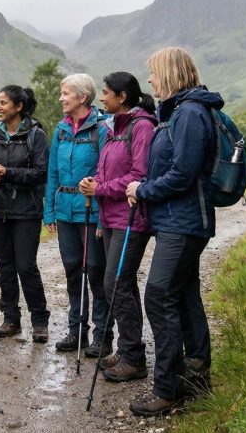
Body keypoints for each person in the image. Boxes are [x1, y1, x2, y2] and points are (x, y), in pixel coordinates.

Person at [125, 47, 221, 416]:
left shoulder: (191, 113)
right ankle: (195, 376)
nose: (149, 80)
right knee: (183, 297)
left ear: (169, 74)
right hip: (176, 221)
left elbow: (183, 173)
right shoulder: (180, 112)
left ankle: (167, 389)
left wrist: (142, 190)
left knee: (159, 296)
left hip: (184, 223)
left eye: (153, 73)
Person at [78, 72, 156, 379]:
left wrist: (100, 189)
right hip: (111, 218)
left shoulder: (142, 127)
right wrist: (94, 185)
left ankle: (133, 357)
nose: (102, 97)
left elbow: (140, 174)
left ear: (122, 96)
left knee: (115, 283)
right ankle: (128, 350)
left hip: (131, 218)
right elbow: (105, 170)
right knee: (121, 284)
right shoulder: (113, 129)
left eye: (106, 92)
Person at [42, 73, 113, 354]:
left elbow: (108, 171)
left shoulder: (102, 128)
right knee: (73, 270)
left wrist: (103, 212)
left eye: (66, 93)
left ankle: (102, 336)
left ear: (82, 97)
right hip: (65, 211)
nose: (61, 98)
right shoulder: (60, 130)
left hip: (92, 211)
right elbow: (53, 173)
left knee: (95, 272)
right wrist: (48, 211)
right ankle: (76, 332)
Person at [0, 85, 51, 342]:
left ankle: (39, 320)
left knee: (25, 266)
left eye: (3, 103)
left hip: (27, 211)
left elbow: (42, 173)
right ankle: (10, 319)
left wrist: (8, 172)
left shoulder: (36, 135)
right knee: (4, 266)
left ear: (18, 107)